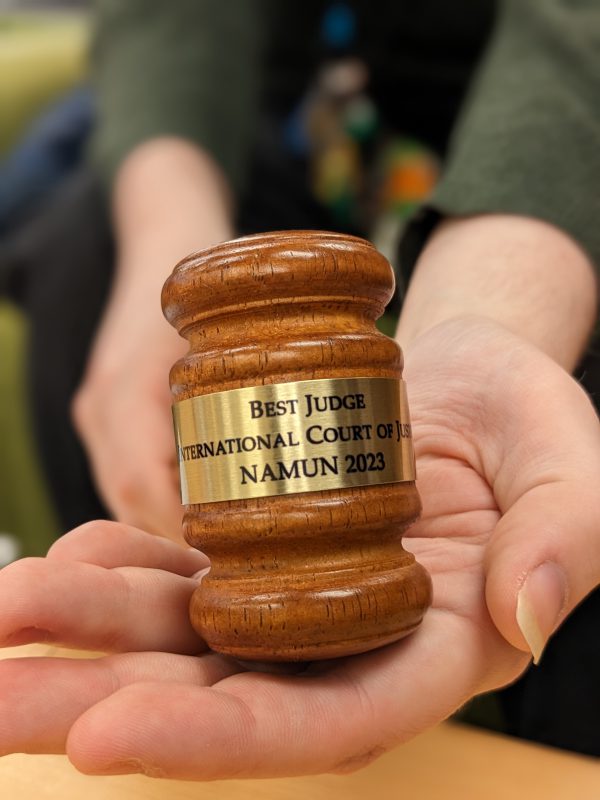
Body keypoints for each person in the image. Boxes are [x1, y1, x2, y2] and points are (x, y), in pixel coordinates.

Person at [0, 0, 599, 777]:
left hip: (536, 136)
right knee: (87, 260)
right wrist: (170, 245)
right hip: (288, 115)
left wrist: (488, 309)